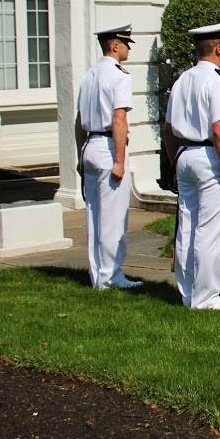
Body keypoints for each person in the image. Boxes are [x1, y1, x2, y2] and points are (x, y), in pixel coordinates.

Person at [163, 22, 220, 310]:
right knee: (210, 230)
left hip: (184, 153)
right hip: (209, 156)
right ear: (219, 48)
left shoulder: (183, 79)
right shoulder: (219, 81)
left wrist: (175, 163)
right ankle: (207, 296)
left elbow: (168, 128)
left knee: (187, 225)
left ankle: (188, 290)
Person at [74, 24, 143, 290]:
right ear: (115, 45)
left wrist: (81, 154)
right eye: (126, 44)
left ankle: (98, 275)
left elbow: (80, 121)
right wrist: (120, 160)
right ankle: (111, 276)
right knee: (113, 217)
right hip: (106, 147)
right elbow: (119, 119)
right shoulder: (120, 76)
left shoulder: (89, 75)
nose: (127, 49)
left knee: (94, 216)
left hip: (91, 145)